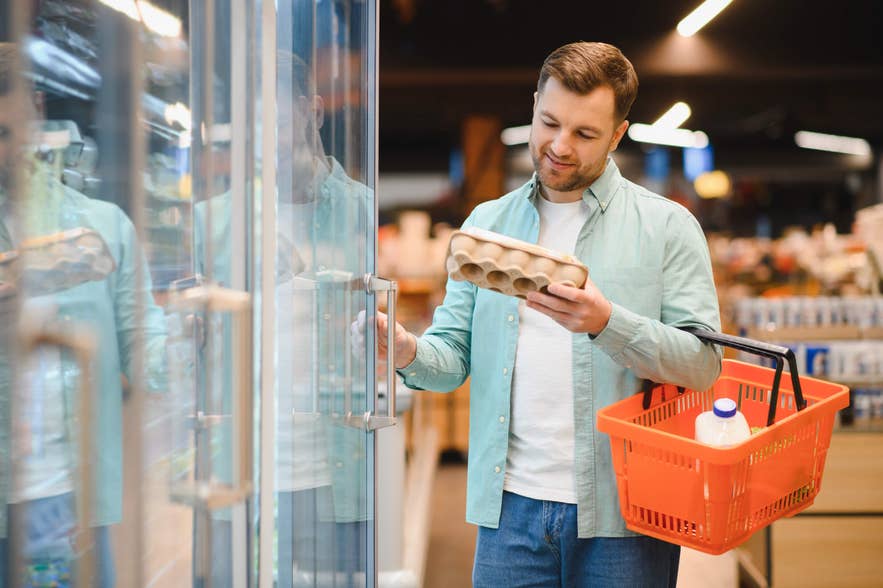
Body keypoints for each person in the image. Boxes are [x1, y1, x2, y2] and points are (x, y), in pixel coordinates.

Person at [369, 41, 722, 586]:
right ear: (534, 103)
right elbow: (453, 356)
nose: (559, 146)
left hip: (625, 515)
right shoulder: (487, 224)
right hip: (510, 512)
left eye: (584, 134)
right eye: (548, 122)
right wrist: (406, 350)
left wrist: (607, 323)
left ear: (618, 135)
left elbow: (702, 364)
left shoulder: (668, 228)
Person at [194, 49, 370, 587]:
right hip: (239, 476)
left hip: (331, 473)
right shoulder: (213, 221)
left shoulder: (360, 209)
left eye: (277, 118)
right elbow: (183, 354)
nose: (266, 136)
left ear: (313, 111)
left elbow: (382, 343)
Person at [0, 41, 167, 586]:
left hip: (64, 501)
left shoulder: (104, 227)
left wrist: (200, 340)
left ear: (37, 114)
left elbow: (145, 346)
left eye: (6, 135)